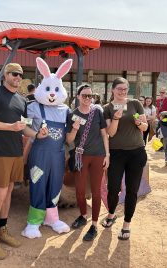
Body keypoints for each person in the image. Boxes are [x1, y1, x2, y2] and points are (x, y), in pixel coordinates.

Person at [0, 63, 47, 260]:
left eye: (20, 75)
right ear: (5, 75)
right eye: (14, 74)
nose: (18, 77)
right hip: (0, 152)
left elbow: (23, 127)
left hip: (16, 151)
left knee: (9, 192)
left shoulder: (21, 99)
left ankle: (2, 229)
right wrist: (10, 127)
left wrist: (36, 135)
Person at [21, 57, 72, 239]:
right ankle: (33, 222)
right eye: (48, 89)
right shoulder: (33, 107)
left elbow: (69, 135)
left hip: (57, 156)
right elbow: (23, 127)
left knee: (55, 185)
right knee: (38, 184)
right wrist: (34, 134)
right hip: (39, 155)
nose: (52, 93)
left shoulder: (65, 110)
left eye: (56, 89)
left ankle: (52, 218)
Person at [102, 77, 148, 240]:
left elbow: (145, 126)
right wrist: (116, 118)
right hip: (116, 153)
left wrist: (139, 124)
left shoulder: (135, 104)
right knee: (113, 188)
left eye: (125, 89)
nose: (122, 92)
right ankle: (111, 214)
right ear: (113, 90)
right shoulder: (107, 108)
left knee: (132, 190)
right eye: (119, 89)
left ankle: (126, 224)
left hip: (136, 152)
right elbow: (110, 133)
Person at [66, 84, 110, 241]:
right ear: (78, 96)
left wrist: (107, 154)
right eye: (84, 95)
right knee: (79, 190)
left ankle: (94, 225)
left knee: (96, 191)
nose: (87, 99)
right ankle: (83, 216)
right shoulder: (72, 115)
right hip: (81, 156)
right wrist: (75, 129)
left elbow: (104, 135)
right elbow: (69, 140)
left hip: (98, 156)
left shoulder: (97, 111)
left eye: (90, 96)